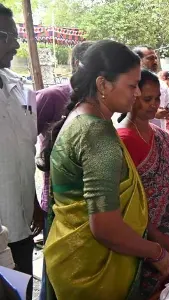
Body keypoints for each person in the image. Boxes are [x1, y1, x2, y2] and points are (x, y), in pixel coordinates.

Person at [40, 40, 169, 299]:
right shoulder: (96, 133)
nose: (135, 94)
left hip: (71, 255)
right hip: (95, 270)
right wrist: (156, 252)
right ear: (103, 85)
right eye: (132, 86)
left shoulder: (81, 117)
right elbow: (105, 227)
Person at [117, 70, 169, 297]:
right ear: (132, 96)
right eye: (147, 99)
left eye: (157, 98)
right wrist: (154, 234)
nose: (154, 104)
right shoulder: (121, 141)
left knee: (167, 286)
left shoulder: (162, 136)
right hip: (138, 233)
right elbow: (122, 204)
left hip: (167, 224)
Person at [0, 5, 43, 298]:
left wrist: (35, 204)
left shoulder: (21, 89)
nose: (16, 44)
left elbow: (25, 151)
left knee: (21, 289)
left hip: (23, 220)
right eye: (8, 36)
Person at [36, 41, 94, 214]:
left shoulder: (99, 100)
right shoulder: (51, 96)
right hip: (58, 191)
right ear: (78, 63)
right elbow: (23, 142)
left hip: (89, 191)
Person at [133, 46, 169, 127]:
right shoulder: (129, 84)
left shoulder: (162, 85)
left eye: (155, 58)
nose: (155, 62)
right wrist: (153, 113)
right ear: (138, 60)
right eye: (150, 58)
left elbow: (168, 105)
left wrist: (167, 113)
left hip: (158, 133)